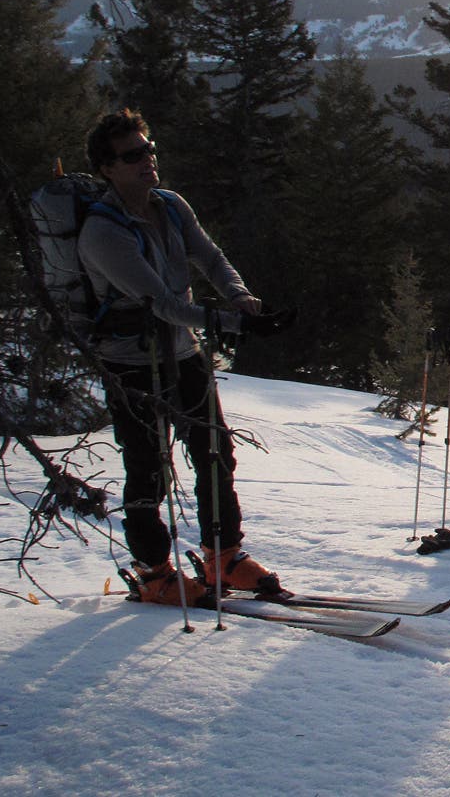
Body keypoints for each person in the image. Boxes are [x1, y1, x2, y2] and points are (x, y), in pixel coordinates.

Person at [79, 109, 294, 607]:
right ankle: (154, 569)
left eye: (148, 149)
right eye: (133, 155)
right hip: (132, 362)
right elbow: (163, 303)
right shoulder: (102, 232)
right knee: (148, 467)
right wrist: (233, 322)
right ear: (107, 168)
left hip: (183, 351)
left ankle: (224, 555)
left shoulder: (171, 206)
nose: (147, 160)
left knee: (215, 451)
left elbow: (211, 257)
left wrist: (239, 296)